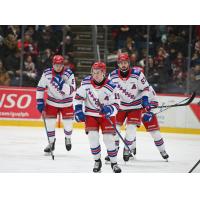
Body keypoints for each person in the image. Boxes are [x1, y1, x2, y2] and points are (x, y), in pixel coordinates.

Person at [74, 61, 122, 173]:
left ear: (104, 73)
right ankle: (97, 161)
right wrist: (78, 110)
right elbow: (78, 98)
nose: (95, 75)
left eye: (98, 72)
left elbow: (117, 104)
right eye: (94, 72)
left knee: (108, 139)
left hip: (106, 116)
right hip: (90, 115)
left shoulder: (112, 86)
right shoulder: (86, 82)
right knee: (93, 137)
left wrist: (110, 109)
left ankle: (114, 163)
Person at [108, 53, 151, 162]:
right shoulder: (112, 76)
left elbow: (145, 88)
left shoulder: (137, 74)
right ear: (118, 64)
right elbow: (107, 91)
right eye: (121, 63)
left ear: (129, 63)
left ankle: (127, 149)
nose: (123, 65)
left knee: (131, 130)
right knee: (114, 130)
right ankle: (114, 150)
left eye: (125, 62)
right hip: (120, 107)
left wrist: (145, 99)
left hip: (135, 106)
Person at [36, 55, 76, 154]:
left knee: (68, 125)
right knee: (49, 124)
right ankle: (51, 142)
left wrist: (62, 85)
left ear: (63, 64)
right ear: (53, 64)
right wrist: (40, 101)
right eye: (56, 65)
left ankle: (68, 138)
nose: (58, 67)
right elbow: (40, 87)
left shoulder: (69, 73)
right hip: (52, 102)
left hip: (67, 103)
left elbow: (72, 90)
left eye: (60, 65)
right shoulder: (47, 73)